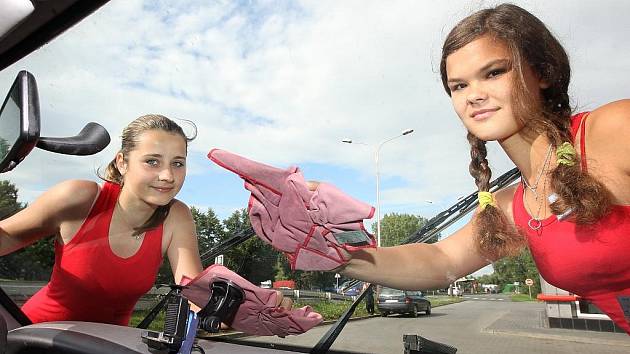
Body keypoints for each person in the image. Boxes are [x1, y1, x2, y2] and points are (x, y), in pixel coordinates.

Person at [308, 4, 630, 334]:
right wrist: (327, 248)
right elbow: (441, 261)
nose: (474, 95)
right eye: (459, 86)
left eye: (493, 73)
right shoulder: (512, 204)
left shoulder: (612, 131)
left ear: (543, 72)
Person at [0, 114, 293, 326]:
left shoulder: (177, 216)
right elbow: (7, 236)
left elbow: (195, 292)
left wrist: (252, 307)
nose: (167, 175)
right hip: (37, 337)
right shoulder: (79, 197)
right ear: (122, 162)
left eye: (177, 163)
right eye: (152, 161)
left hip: (109, 346)